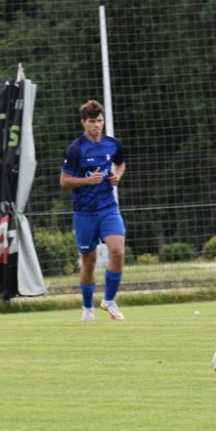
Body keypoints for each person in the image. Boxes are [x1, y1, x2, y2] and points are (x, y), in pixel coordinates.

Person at [60, 100, 127, 321]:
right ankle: (88, 307)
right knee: (89, 260)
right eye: (92, 121)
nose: (97, 125)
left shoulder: (113, 144)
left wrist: (117, 176)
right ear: (84, 123)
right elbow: (64, 180)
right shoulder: (76, 149)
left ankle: (109, 300)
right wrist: (86, 181)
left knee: (118, 252)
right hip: (84, 212)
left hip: (108, 207)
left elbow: (120, 164)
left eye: (99, 121)